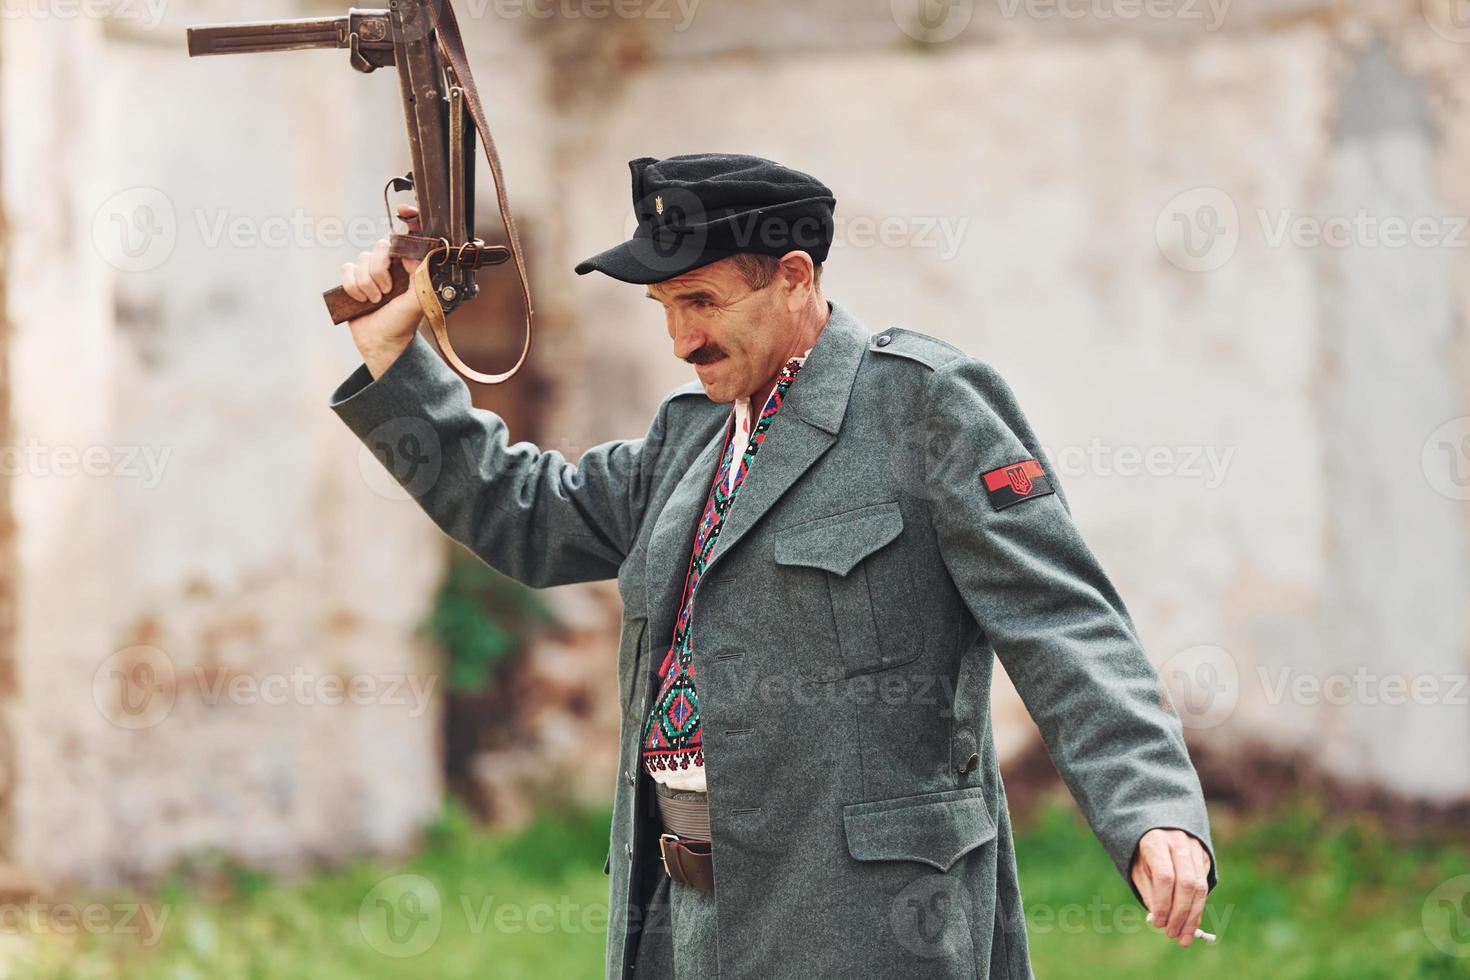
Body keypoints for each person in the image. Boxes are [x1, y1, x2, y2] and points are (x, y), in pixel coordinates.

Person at [329, 152, 1217, 980]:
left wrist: (1151, 808)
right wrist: (391, 354)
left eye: (703, 302)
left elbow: (1060, 617)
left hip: (866, 924)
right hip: (680, 921)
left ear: (794, 277)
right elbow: (525, 517)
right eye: (666, 308)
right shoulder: (688, 435)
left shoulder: (925, 405)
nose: (681, 339)